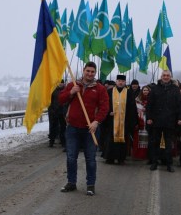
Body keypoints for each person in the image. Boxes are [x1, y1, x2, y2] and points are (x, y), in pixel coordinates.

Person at [58, 62, 109, 195]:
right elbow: (61, 99)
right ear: (83, 70)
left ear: (95, 73)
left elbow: (104, 107)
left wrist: (96, 121)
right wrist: (71, 92)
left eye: (92, 71)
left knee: (90, 159)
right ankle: (71, 182)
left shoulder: (100, 88)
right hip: (73, 128)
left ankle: (90, 185)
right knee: (71, 157)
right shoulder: (73, 84)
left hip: (90, 129)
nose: (90, 73)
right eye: (88, 71)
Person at [147, 70, 181, 172]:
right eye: (164, 75)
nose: (166, 77)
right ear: (161, 76)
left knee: (169, 144)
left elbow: (179, 105)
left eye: (168, 75)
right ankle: (154, 162)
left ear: (170, 77)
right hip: (156, 120)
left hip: (170, 120)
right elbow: (149, 105)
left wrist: (180, 118)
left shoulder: (175, 89)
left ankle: (169, 164)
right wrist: (149, 118)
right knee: (155, 143)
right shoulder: (155, 89)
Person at [104, 75, 138, 165]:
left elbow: (132, 108)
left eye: (122, 81)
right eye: (119, 80)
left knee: (123, 140)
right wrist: (108, 112)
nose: (120, 82)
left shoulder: (129, 93)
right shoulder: (109, 92)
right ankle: (109, 158)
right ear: (116, 81)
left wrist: (131, 120)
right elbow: (105, 104)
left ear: (125, 82)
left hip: (124, 121)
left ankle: (121, 158)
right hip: (112, 120)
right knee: (111, 139)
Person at [133, 85, 151, 160]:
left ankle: (148, 154)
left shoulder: (152, 99)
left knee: (148, 138)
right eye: (144, 90)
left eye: (147, 90)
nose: (145, 91)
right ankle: (139, 154)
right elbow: (134, 110)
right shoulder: (137, 100)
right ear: (142, 91)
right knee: (139, 138)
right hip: (140, 120)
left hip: (148, 120)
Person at [48, 80, 66, 147]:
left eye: (62, 83)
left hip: (62, 112)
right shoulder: (53, 91)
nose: (61, 84)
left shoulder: (65, 90)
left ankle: (63, 142)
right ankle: (51, 141)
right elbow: (50, 102)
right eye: (60, 83)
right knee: (54, 127)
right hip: (55, 112)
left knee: (63, 128)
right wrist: (52, 110)